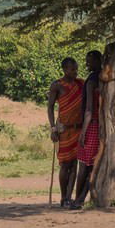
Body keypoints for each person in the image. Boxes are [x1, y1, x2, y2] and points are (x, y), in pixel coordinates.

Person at [46, 57, 84, 208]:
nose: (75, 72)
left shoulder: (80, 84)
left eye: (76, 69)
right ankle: (63, 196)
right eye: (72, 69)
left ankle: (69, 196)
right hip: (64, 130)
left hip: (78, 129)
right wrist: (52, 128)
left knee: (75, 164)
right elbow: (50, 107)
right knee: (65, 164)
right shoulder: (57, 85)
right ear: (64, 69)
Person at [71, 50, 106, 208]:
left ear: (99, 61)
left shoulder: (92, 81)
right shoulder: (105, 79)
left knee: (85, 166)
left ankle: (79, 199)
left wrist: (83, 132)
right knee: (92, 165)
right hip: (103, 126)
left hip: (92, 126)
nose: (86, 64)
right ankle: (83, 198)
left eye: (89, 61)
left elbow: (89, 110)